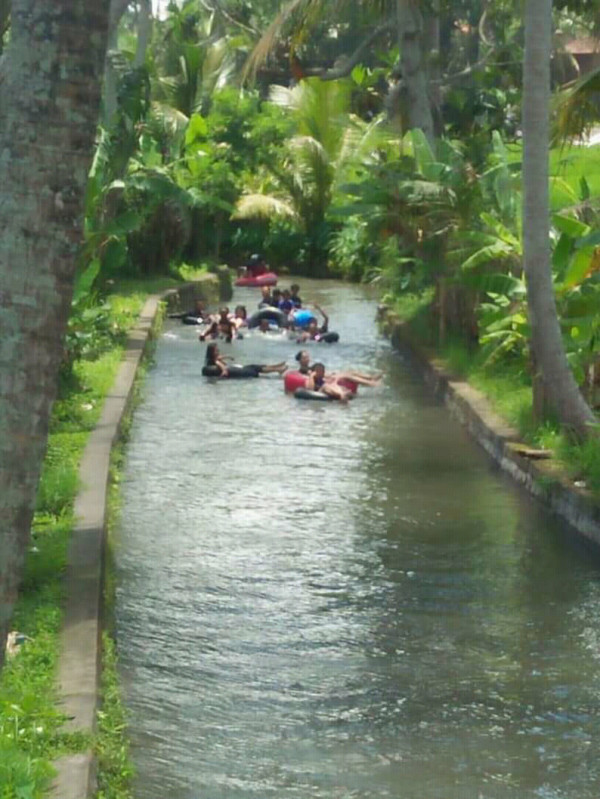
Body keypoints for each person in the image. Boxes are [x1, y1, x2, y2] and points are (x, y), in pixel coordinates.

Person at [202, 343, 287, 379]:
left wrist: (228, 357)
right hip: (240, 373)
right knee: (254, 368)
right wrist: (224, 370)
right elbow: (220, 364)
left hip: (238, 370)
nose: (218, 352)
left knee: (254, 366)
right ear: (212, 352)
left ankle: (276, 367)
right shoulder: (215, 362)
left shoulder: (212, 360)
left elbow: (219, 359)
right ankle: (277, 369)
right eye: (216, 351)